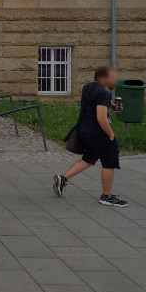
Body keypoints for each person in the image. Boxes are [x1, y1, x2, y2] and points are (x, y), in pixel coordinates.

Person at [54, 66, 128, 207]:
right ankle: (107, 196)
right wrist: (111, 135)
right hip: (98, 132)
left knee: (88, 158)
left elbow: (93, 104)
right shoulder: (103, 92)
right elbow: (101, 118)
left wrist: (110, 105)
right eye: (112, 77)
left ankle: (63, 179)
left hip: (84, 129)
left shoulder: (88, 87)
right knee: (109, 162)